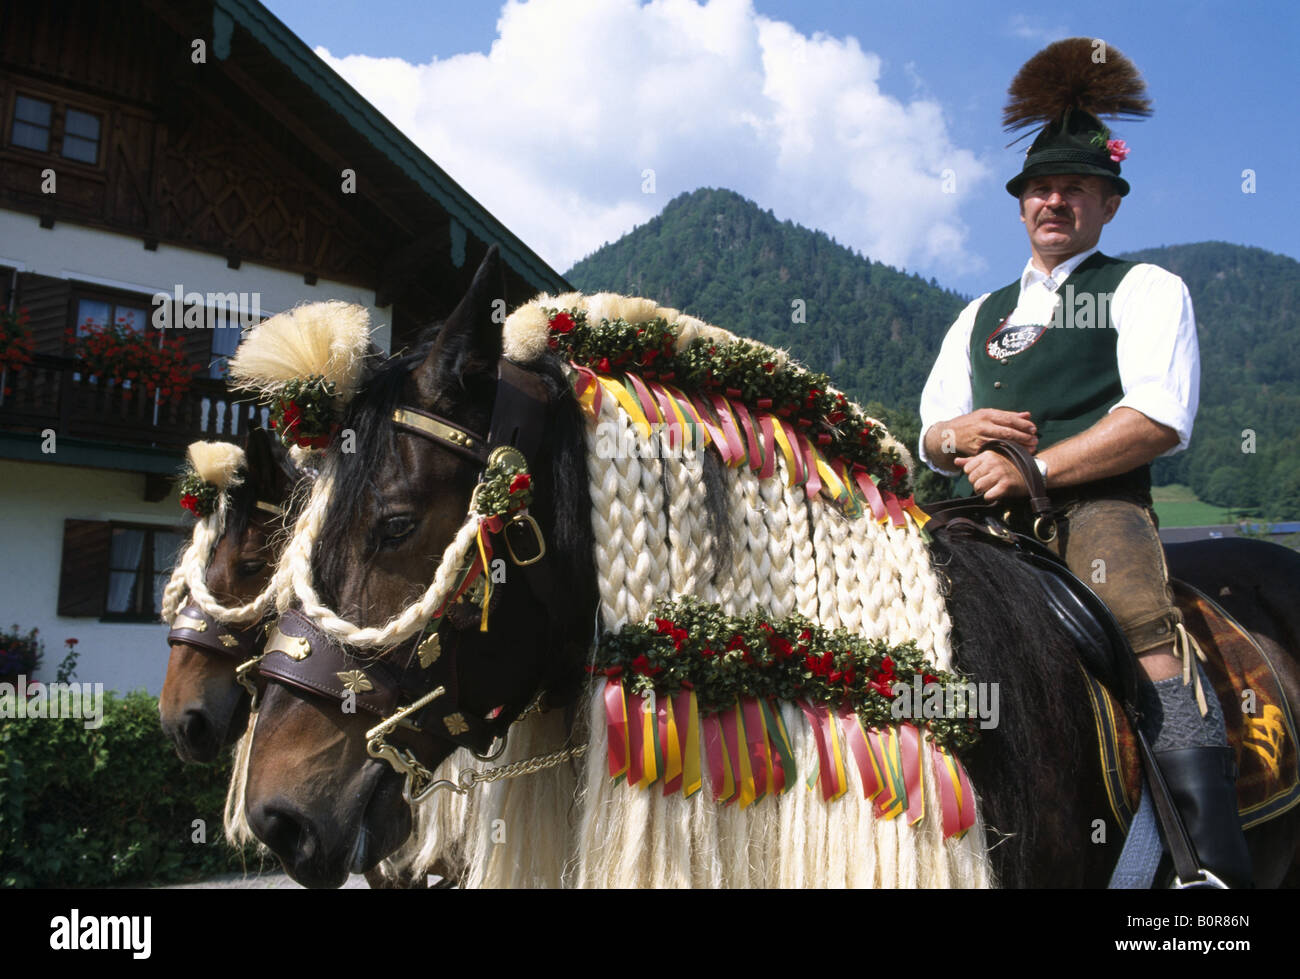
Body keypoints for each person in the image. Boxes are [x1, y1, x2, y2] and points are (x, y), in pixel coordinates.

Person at [918, 38, 1250, 887]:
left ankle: (1201, 865)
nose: (1052, 200)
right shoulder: (977, 314)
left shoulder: (1145, 289)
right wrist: (955, 438)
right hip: (978, 517)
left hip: (1098, 514)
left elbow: (1155, 418)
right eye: (1038, 188)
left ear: (1107, 204)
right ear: (1020, 204)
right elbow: (930, 428)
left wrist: (1035, 470)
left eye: (1073, 188)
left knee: (1139, 623)